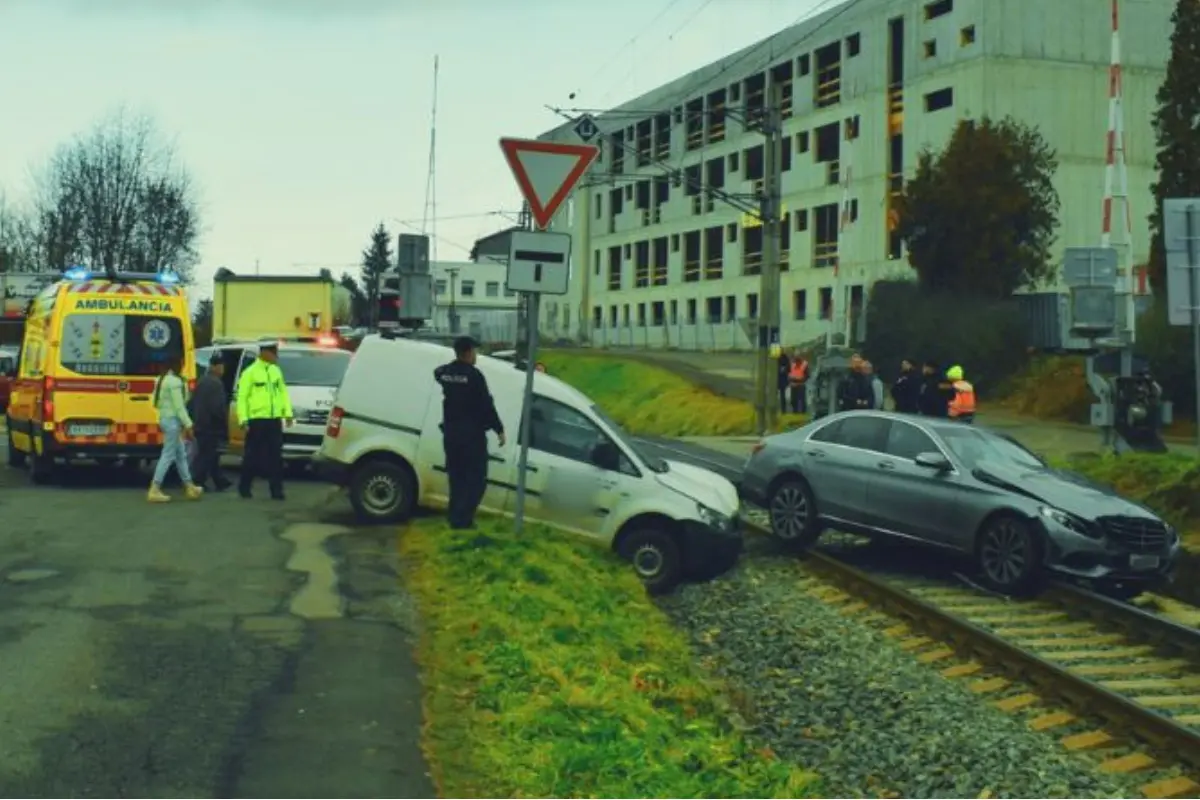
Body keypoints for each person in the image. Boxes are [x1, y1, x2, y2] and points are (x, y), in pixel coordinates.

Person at [434, 336, 506, 529]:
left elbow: (437, 372)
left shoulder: (446, 373)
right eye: (474, 351)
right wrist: (499, 429)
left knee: (456, 479)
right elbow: (486, 405)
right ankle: (463, 520)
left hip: (451, 436)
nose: (476, 356)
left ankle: (454, 517)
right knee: (476, 480)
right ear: (467, 353)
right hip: (471, 437)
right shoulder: (474, 376)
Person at [236, 341, 294, 500]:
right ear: (264, 353)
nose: (276, 357)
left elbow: (282, 393)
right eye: (274, 353)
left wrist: (287, 413)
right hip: (257, 420)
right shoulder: (250, 372)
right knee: (251, 456)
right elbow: (242, 398)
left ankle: (277, 491)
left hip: (274, 419)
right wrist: (243, 419)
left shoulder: (276, 371)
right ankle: (244, 487)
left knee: (276, 456)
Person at [147, 354, 203, 503]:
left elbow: (154, 402)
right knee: (168, 455)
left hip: (165, 418)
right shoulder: (175, 382)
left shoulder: (160, 379)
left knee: (180, 455)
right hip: (173, 421)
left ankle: (189, 486)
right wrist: (189, 424)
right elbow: (179, 406)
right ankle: (155, 488)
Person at [191, 352, 232, 492]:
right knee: (207, 454)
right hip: (211, 425)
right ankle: (197, 480)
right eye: (221, 366)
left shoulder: (202, 381)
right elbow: (218, 408)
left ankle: (220, 480)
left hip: (200, 423)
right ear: (216, 367)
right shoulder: (216, 384)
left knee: (210, 454)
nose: (223, 369)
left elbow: (192, 402)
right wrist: (223, 424)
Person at [787, 349, 809, 414]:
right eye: (796, 355)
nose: (797, 357)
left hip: (801, 385)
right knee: (793, 401)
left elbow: (807, 375)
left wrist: (801, 381)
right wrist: (790, 380)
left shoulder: (805, 364)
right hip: (793, 385)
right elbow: (789, 373)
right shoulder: (792, 364)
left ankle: (803, 413)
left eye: (798, 355)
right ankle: (795, 413)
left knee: (802, 401)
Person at [776, 347, 791, 412]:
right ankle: (775, 408)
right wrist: (779, 369)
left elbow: (789, 368)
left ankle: (783, 410)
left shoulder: (785, 357)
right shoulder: (775, 357)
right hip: (775, 379)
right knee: (774, 395)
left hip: (782, 379)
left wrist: (784, 369)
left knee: (782, 396)